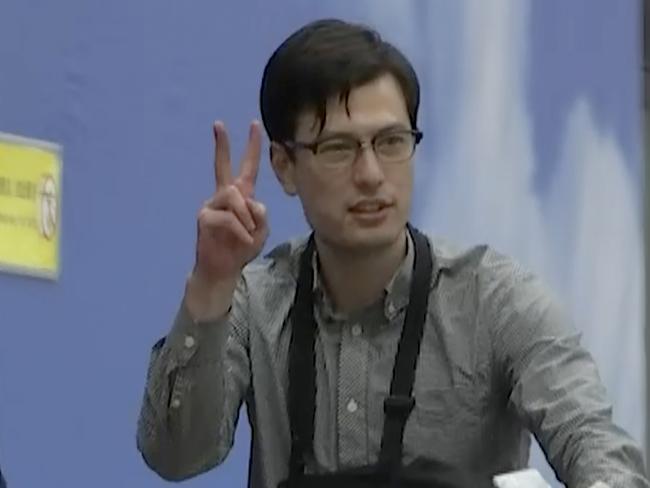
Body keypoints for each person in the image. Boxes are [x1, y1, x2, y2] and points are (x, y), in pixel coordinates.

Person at [136, 18, 649, 488]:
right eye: (338, 148)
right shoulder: (254, 303)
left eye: (391, 142)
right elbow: (175, 455)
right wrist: (212, 285)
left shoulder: (495, 299)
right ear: (284, 166)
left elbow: (596, 443)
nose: (371, 174)